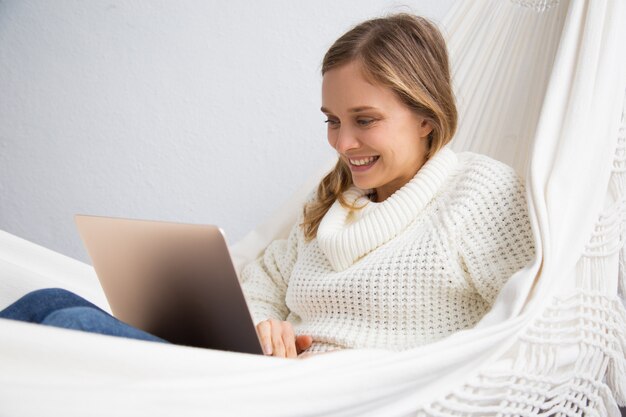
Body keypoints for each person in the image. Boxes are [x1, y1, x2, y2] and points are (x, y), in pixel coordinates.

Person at [0, 13, 535, 359]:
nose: (343, 143)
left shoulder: (477, 193)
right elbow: (259, 286)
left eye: (365, 119)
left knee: (68, 324)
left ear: (426, 116)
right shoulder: (331, 204)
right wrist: (261, 324)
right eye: (331, 119)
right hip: (263, 374)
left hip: (338, 396)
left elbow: (531, 320)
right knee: (48, 299)